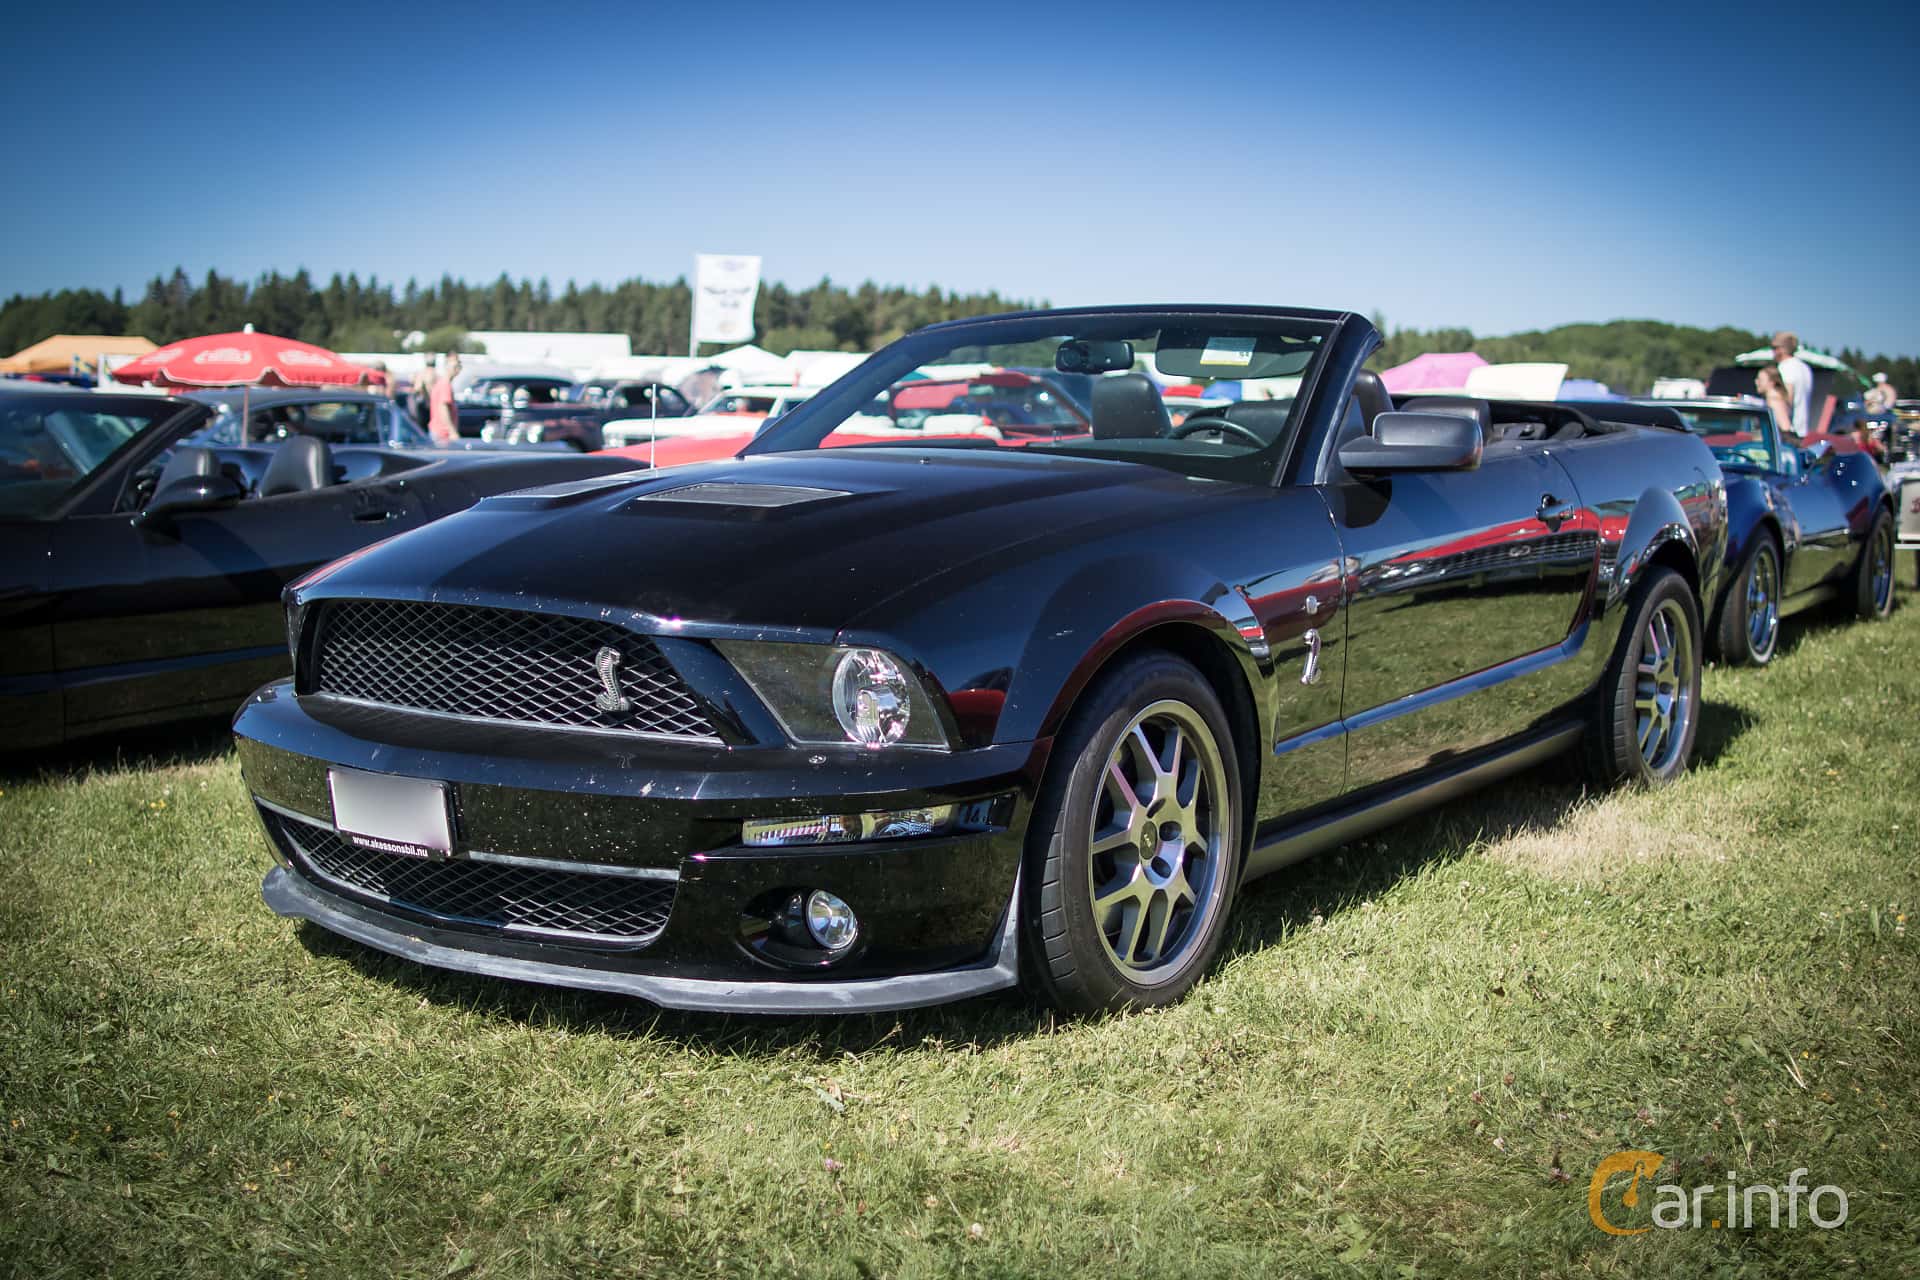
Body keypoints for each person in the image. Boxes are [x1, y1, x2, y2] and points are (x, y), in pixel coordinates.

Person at [1771, 331, 1813, 436]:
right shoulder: (1805, 368)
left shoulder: (1785, 368)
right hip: (1802, 430)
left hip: (1788, 433)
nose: (1773, 352)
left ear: (1781, 349)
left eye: (1774, 348)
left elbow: (1786, 398)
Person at [1755, 364, 1797, 442]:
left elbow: (1786, 429)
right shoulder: (1773, 400)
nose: (1756, 382)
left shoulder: (1774, 402)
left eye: (1760, 380)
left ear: (1772, 383)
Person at [427, 354, 460, 444]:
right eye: (455, 367)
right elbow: (443, 409)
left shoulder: (441, 383)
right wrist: (452, 432)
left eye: (459, 366)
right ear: (447, 367)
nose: (458, 370)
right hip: (442, 434)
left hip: (437, 432)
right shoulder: (445, 385)